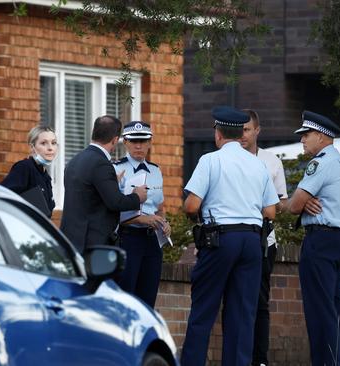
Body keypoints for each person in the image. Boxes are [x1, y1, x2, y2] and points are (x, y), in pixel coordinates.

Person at [180, 106, 278, 366]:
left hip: (221, 239)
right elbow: (271, 211)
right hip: (252, 241)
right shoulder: (258, 164)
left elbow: (191, 205)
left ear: (218, 134)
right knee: (242, 314)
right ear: (239, 133)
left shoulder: (211, 160)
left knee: (204, 309)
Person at [284, 110, 340, 366]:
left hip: (321, 242)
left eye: (306, 135)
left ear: (322, 137)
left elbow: (294, 206)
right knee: (337, 310)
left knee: (320, 312)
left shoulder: (320, 163)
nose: (302, 140)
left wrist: (297, 203)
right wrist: (302, 203)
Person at [240, 109, 288, 366]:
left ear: (258, 130)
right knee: (236, 301)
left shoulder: (271, 161)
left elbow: (282, 202)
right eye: (239, 130)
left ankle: (259, 359)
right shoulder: (226, 159)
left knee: (260, 302)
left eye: (247, 129)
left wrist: (263, 206)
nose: (243, 135)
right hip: (234, 240)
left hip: (264, 241)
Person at [61, 115, 148, 254]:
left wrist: (113, 183)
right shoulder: (101, 163)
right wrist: (138, 197)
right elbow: (115, 202)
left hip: (72, 240)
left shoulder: (75, 160)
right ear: (115, 140)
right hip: (92, 243)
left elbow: (87, 194)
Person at [113, 121, 171, 308]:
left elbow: (159, 205)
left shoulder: (155, 170)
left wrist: (165, 222)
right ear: (126, 142)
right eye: (134, 141)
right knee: (126, 296)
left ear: (150, 142)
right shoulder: (117, 169)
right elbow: (114, 208)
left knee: (148, 296)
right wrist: (143, 219)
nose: (138, 146)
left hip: (153, 240)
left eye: (143, 141)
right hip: (129, 238)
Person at [1, 125, 58, 218]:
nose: (50, 148)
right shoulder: (24, 167)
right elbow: (3, 195)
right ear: (32, 147)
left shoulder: (45, 176)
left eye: (54, 143)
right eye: (43, 143)